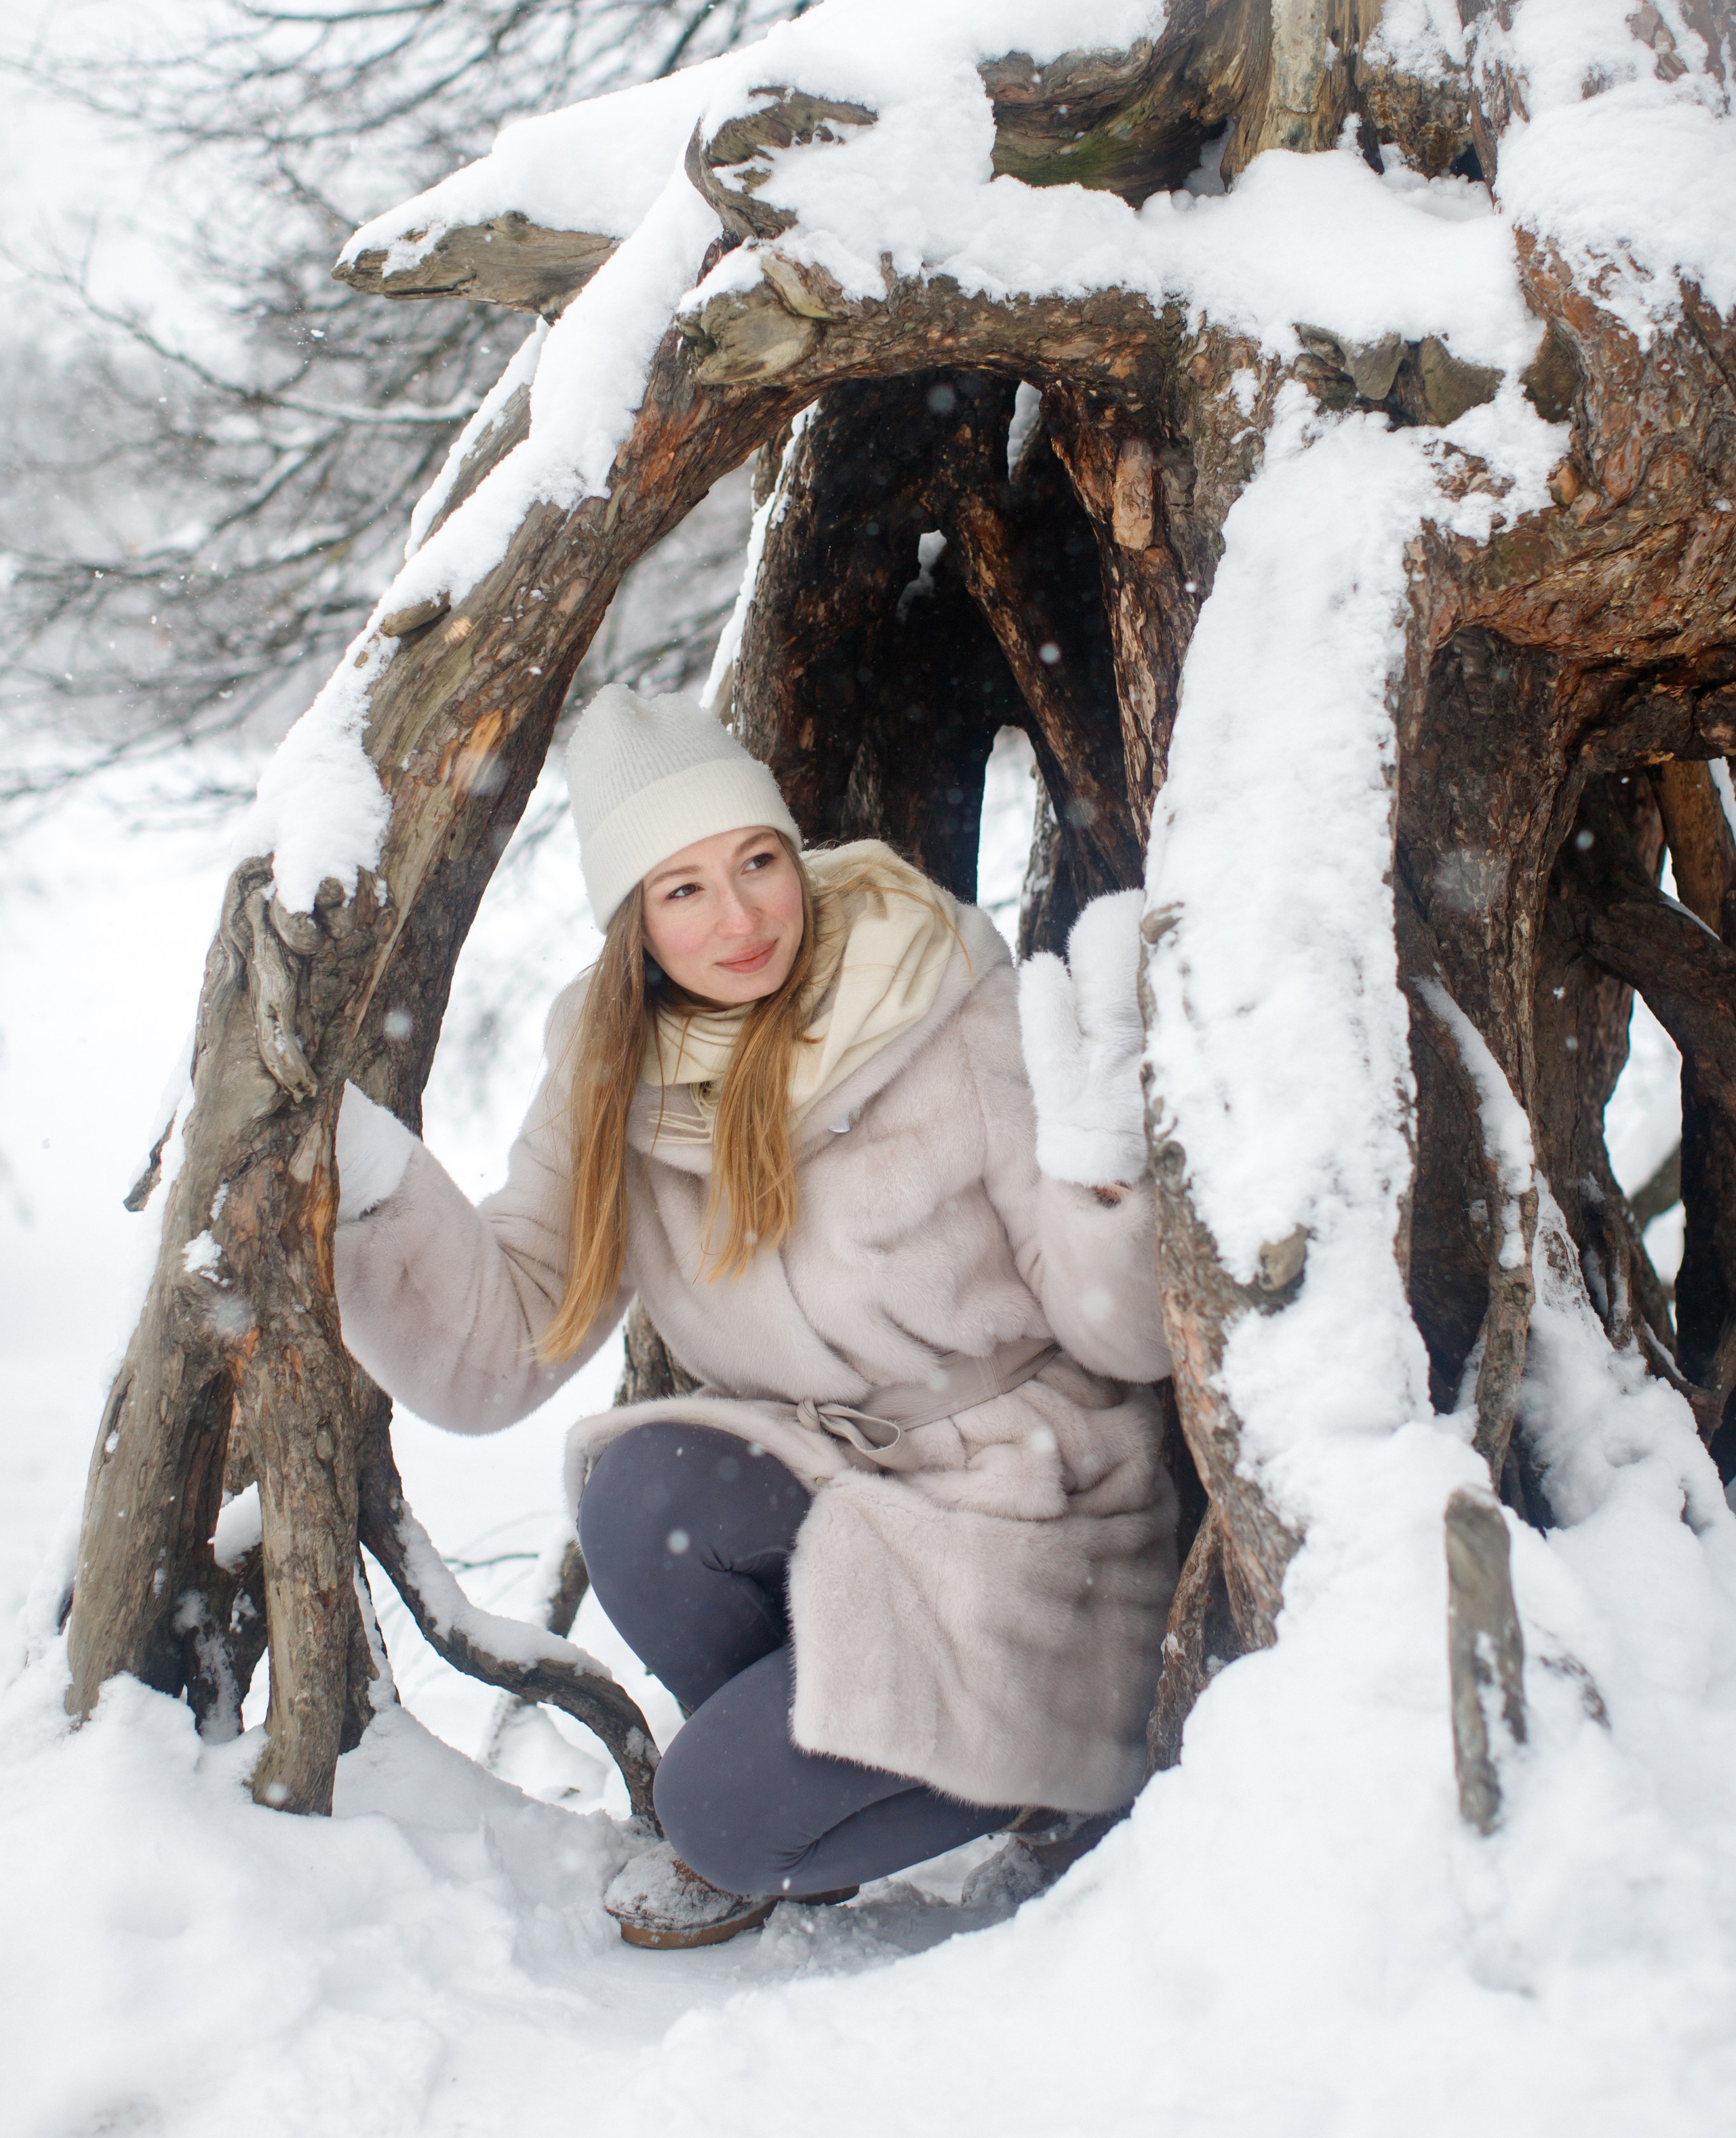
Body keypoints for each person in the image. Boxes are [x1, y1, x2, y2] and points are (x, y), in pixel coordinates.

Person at [333, 685, 1177, 1948]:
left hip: (1035, 1500)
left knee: (714, 1815)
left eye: (758, 862)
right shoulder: (611, 1064)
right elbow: (499, 1349)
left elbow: (1129, 1339)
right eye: (683, 890)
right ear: (635, 925)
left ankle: (1036, 1772)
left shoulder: (938, 985)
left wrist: (1113, 1193)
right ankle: (848, 1762)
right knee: (644, 1495)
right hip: (851, 1487)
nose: (740, 917)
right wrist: (365, 1192)